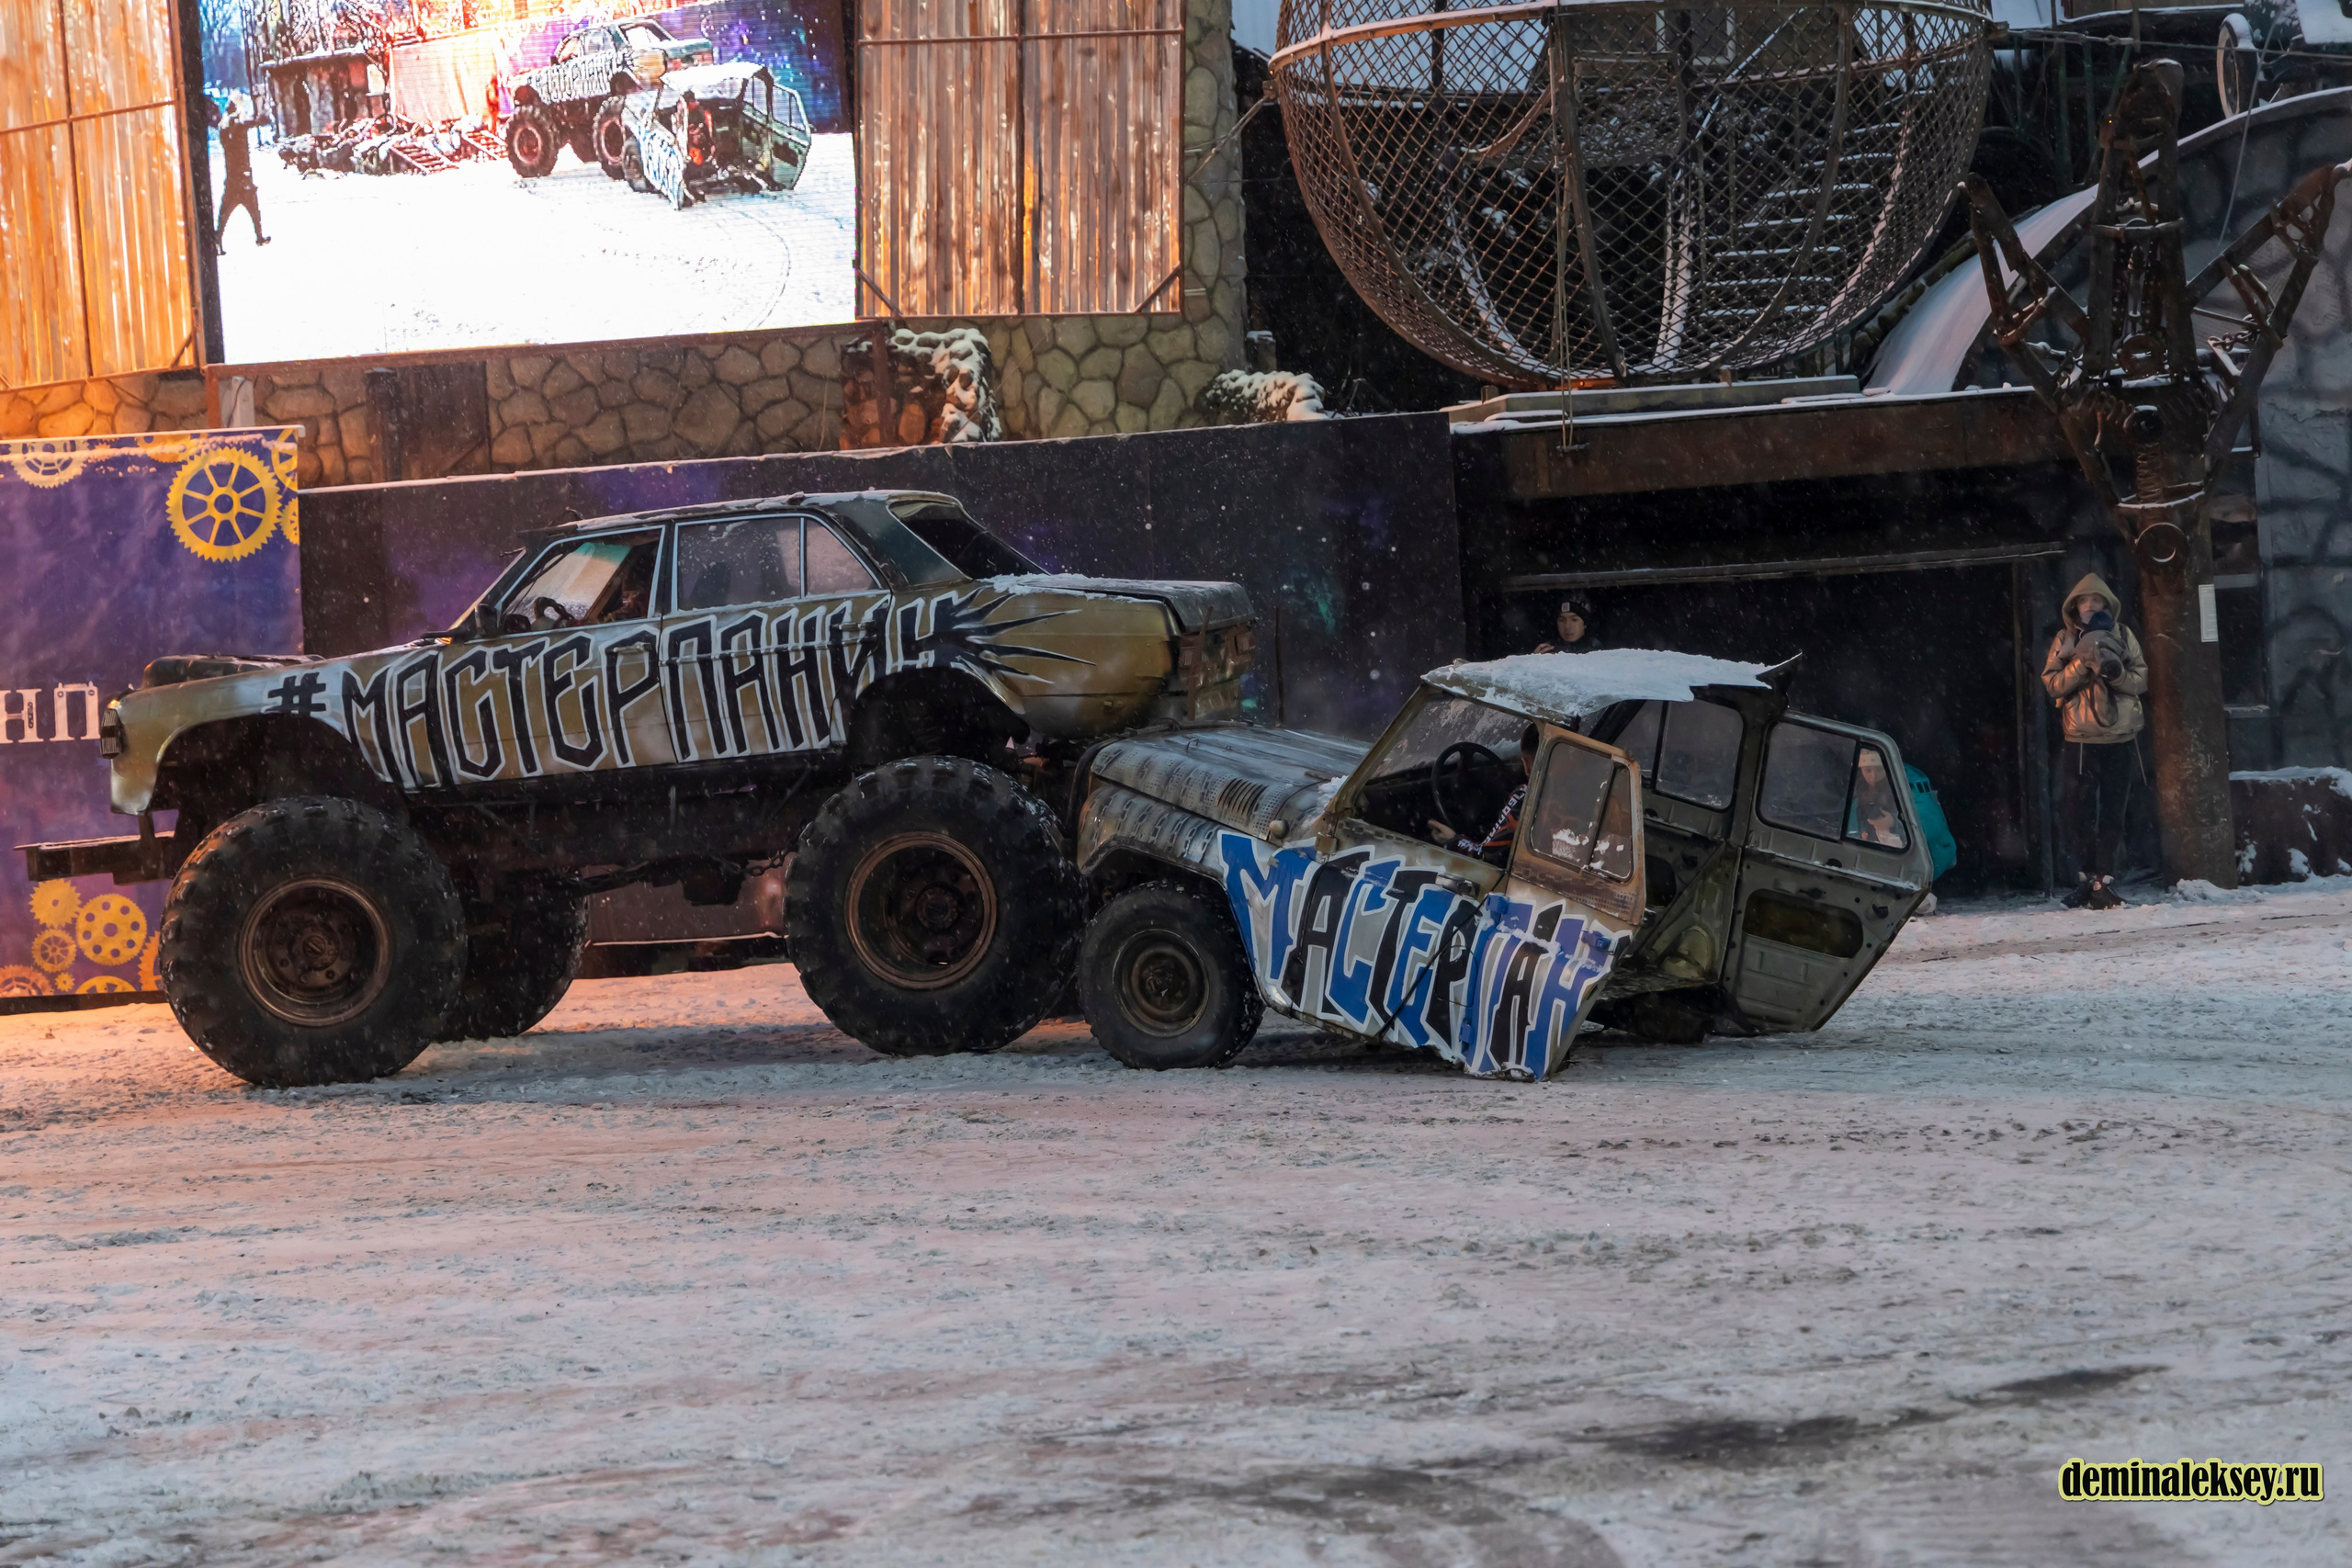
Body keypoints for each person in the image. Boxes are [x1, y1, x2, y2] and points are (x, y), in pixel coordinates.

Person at [2041, 572, 2147, 909]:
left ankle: (2104, 880)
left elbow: (2141, 680)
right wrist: (2082, 667)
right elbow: (2053, 684)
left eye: (2097, 601)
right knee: (2077, 811)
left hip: (2120, 737)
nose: (2090, 607)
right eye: (2084, 602)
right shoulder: (2064, 639)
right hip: (2081, 739)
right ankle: (2087, 878)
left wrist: (2115, 674)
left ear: (2107, 604)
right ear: (2074, 607)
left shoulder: (2124, 635)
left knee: (2114, 810)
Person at [1427, 724, 1539, 866]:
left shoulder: (1525, 798)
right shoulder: (1567, 797)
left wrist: (1452, 840)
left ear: (1526, 766)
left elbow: (1486, 857)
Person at [215, 98, 270, 253]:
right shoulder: (240, 126)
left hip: (232, 176)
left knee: (224, 213)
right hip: (243, 176)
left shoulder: (224, 128)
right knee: (253, 208)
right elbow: (261, 121)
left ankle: (217, 239)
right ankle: (259, 237)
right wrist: (262, 106)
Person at [1534, 594, 1601, 655]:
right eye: (1562, 620)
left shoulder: (1597, 650)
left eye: (1574, 620)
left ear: (1584, 624)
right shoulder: (1548, 649)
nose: (1567, 626)